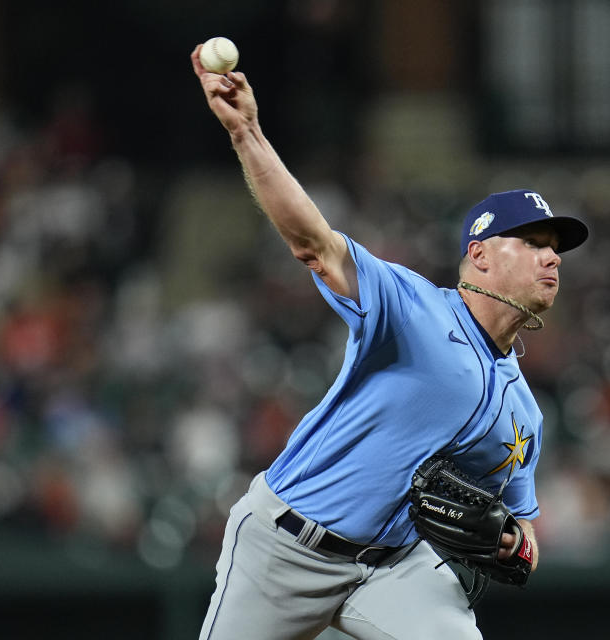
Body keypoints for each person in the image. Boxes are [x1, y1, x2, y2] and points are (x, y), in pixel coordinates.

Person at [191, 42, 588, 640]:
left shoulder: (524, 413)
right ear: (478, 255)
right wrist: (247, 133)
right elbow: (314, 244)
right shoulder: (413, 308)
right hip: (287, 548)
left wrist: (513, 545)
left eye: (554, 247)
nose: (551, 256)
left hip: (395, 571)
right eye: (532, 242)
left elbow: (526, 529)